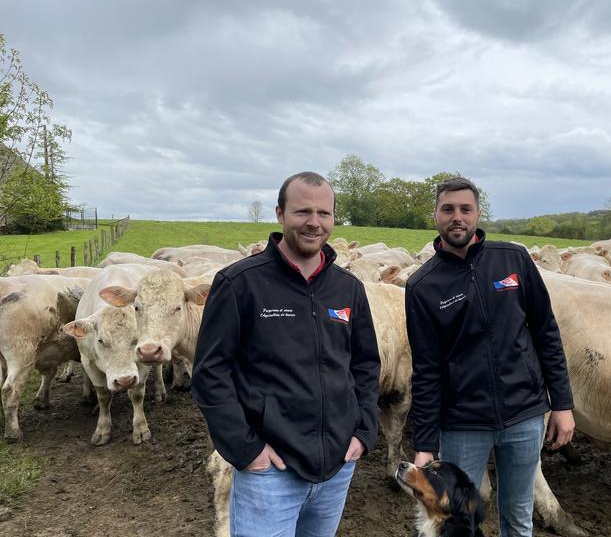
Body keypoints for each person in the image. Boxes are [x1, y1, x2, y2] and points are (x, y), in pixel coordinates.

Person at [191, 171, 381, 537]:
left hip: (337, 465)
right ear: (280, 214)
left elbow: (365, 364)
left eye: (324, 214)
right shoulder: (239, 283)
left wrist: (364, 430)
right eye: (302, 212)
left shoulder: (348, 288)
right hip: (270, 470)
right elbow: (210, 373)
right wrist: (247, 450)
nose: (314, 223)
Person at [405, 177, 575, 537]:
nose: (457, 217)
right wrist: (424, 445)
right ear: (435, 215)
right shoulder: (422, 285)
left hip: (525, 416)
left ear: (478, 214)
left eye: (465, 209)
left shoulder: (512, 259)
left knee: (518, 515)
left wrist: (561, 404)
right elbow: (427, 370)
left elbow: (546, 332)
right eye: (448, 209)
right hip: (463, 424)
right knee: (457, 521)